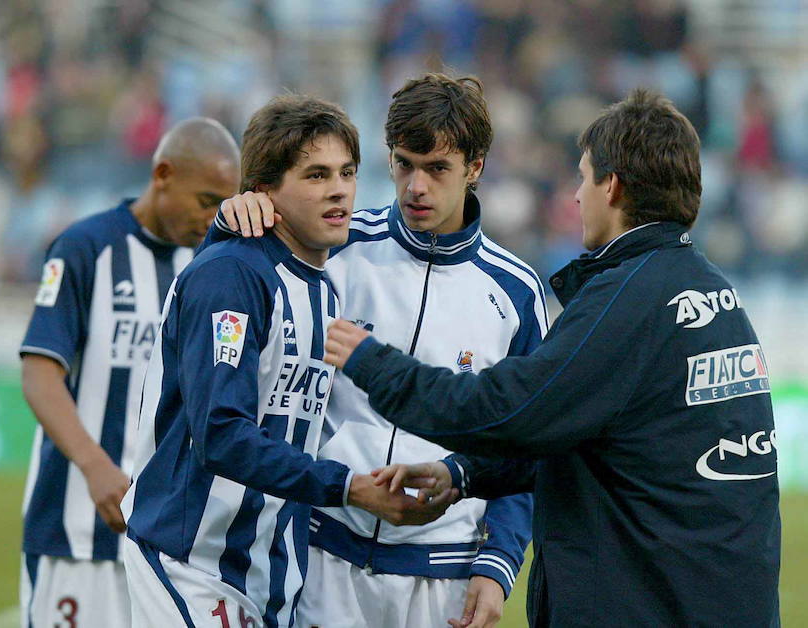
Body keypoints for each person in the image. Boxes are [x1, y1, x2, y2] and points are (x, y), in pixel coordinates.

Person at [324, 88, 781, 627]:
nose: (575, 197)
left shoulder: (626, 301)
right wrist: (465, 476)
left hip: (648, 605)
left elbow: (510, 414)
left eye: (584, 178)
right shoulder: (712, 294)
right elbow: (581, 437)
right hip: (720, 602)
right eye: (404, 164)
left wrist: (374, 363)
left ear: (611, 186)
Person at [214, 73, 546, 628]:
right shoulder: (336, 248)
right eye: (403, 163)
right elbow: (229, 289)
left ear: (476, 169)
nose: (416, 185)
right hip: (323, 555)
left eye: (437, 168)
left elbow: (528, 444)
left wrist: (499, 563)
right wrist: (228, 224)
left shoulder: (516, 292)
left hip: (444, 578)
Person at [120, 94, 444, 628]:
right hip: (190, 565)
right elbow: (221, 434)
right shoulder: (231, 277)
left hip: (273, 577)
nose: (339, 188)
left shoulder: (325, 292)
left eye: (347, 172)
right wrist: (350, 488)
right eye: (316, 175)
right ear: (264, 191)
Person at [18, 118, 241, 627]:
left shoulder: (209, 269)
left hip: (169, 546)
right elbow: (39, 372)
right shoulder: (85, 249)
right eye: (206, 200)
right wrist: (95, 466)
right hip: (77, 534)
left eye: (224, 205)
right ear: (163, 173)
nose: (214, 218)